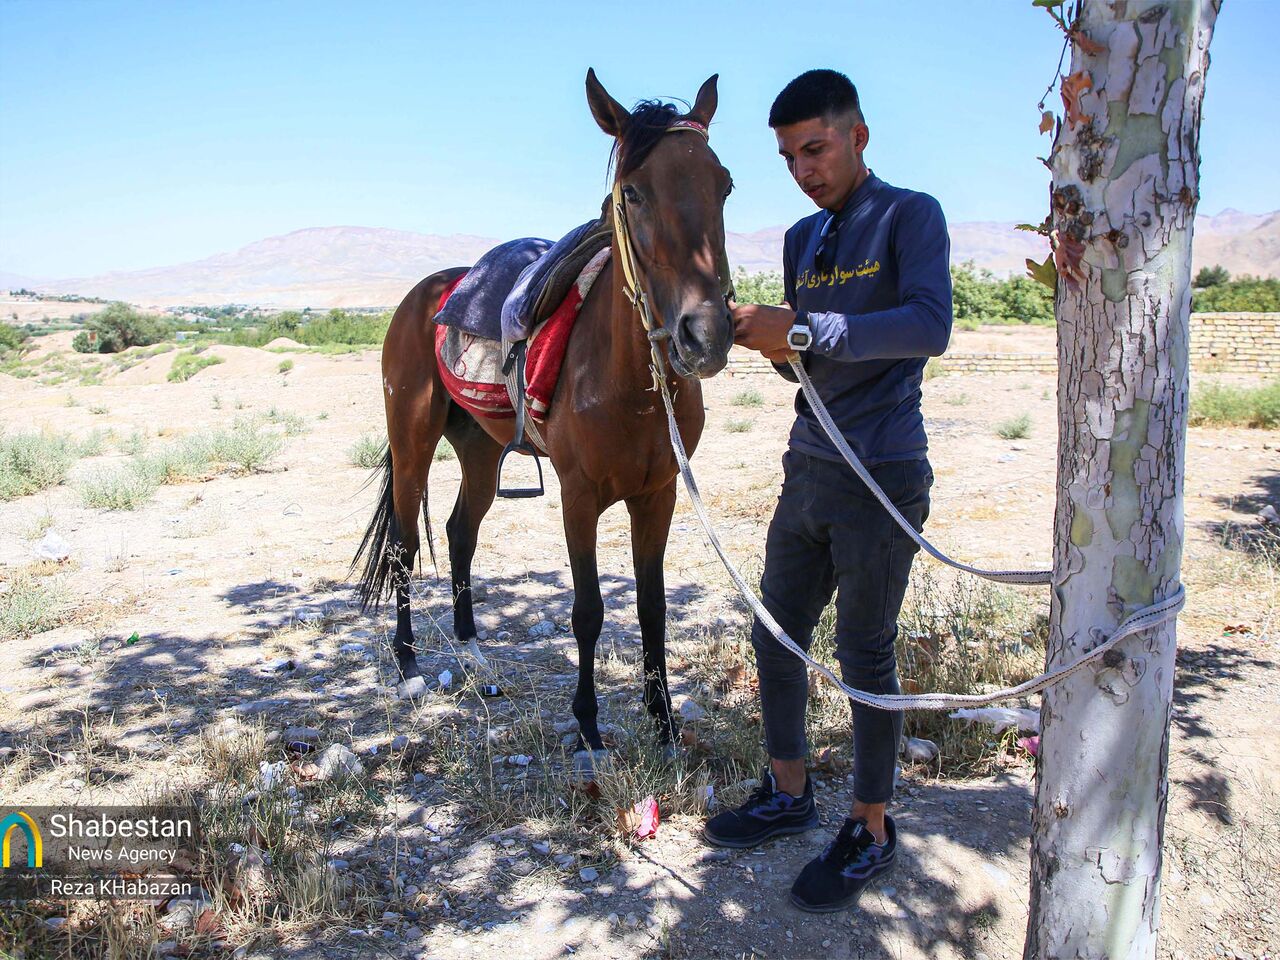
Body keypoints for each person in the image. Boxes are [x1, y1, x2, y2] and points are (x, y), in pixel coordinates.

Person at [703, 68, 953, 914]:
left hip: (882, 472)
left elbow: (929, 325)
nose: (803, 170)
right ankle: (788, 793)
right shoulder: (802, 238)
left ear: (858, 136)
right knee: (775, 632)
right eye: (788, 157)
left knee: (864, 653)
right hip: (808, 466)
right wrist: (763, 339)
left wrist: (803, 328)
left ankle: (871, 828)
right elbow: (806, 366)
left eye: (815, 149)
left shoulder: (910, 215)